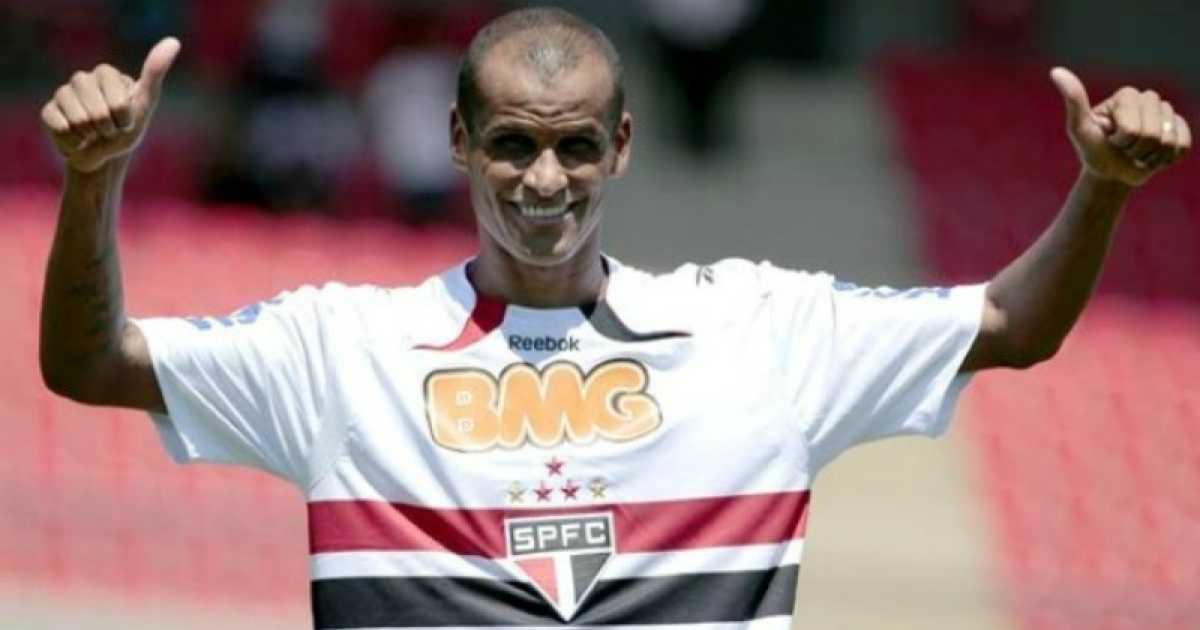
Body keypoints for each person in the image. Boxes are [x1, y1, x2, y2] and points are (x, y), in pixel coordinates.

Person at [37, 7, 1190, 629]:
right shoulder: (338, 349)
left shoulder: (759, 331)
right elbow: (89, 365)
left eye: (576, 146)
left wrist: (1102, 189)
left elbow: (1010, 325)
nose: (545, 180)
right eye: (512, 143)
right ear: (457, 143)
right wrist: (94, 182)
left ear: (622, 147)